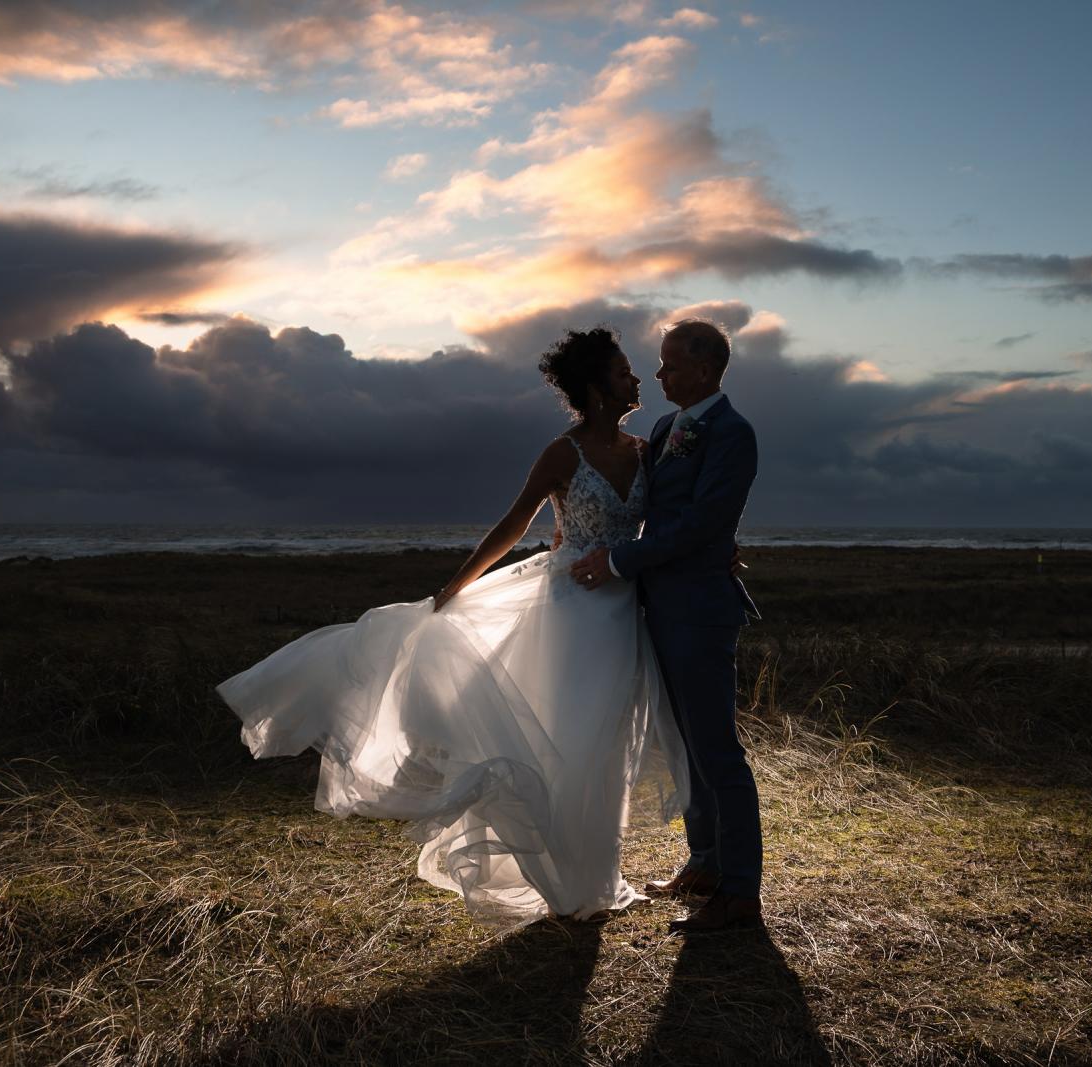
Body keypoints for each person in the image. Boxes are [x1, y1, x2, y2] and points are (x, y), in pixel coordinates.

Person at [217, 326, 690, 928]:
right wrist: (455, 586)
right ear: (598, 388)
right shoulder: (561, 454)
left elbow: (676, 520)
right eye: (624, 371)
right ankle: (570, 883)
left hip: (625, 610)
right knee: (573, 741)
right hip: (571, 614)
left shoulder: (644, 450)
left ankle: (599, 878)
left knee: (612, 744)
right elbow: (513, 526)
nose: (637, 379)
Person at [571, 318, 763, 934]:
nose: (658, 376)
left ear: (705, 371)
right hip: (659, 605)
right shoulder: (662, 428)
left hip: (701, 612)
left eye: (671, 366)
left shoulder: (732, 433)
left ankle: (739, 893)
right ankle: (703, 864)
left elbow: (704, 520)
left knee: (716, 750)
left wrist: (621, 560)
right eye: (657, 364)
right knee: (684, 747)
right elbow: (653, 508)